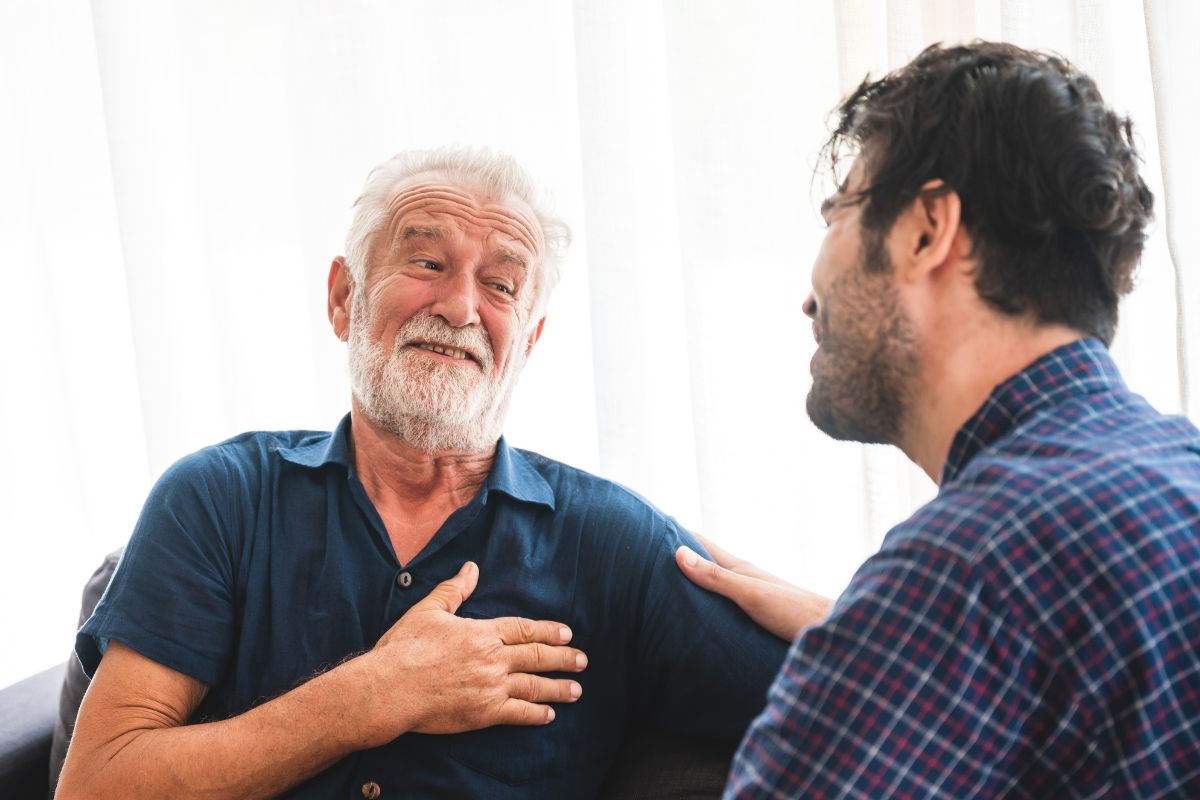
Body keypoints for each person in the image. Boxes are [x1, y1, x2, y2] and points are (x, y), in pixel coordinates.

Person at [58, 148, 788, 799]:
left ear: (527, 340)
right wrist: (374, 695)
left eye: (502, 286)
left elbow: (858, 704)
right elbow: (96, 785)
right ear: (345, 298)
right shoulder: (219, 498)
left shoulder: (611, 541)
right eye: (428, 264)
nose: (462, 307)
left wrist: (821, 609)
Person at [676, 41, 1200, 797]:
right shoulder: (1173, 470)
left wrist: (900, 626)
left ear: (927, 228)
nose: (808, 297)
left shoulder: (968, 569)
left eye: (840, 212)